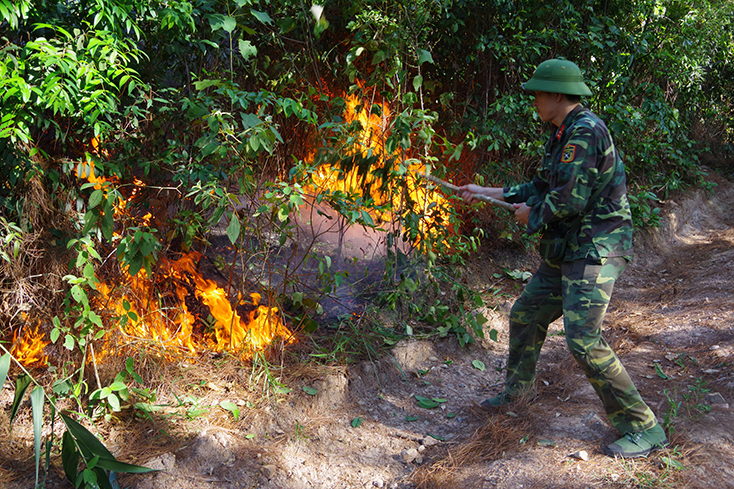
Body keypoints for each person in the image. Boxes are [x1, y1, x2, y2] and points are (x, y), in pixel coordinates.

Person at [459, 59, 667, 458]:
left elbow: (569, 199)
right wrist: (487, 190)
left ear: (557, 94)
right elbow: (542, 184)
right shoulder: (562, 133)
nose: (534, 99)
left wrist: (532, 214)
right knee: (526, 313)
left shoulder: (584, 132)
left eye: (538, 92)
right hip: (569, 246)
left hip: (595, 249)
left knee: (584, 340)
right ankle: (517, 394)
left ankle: (644, 427)